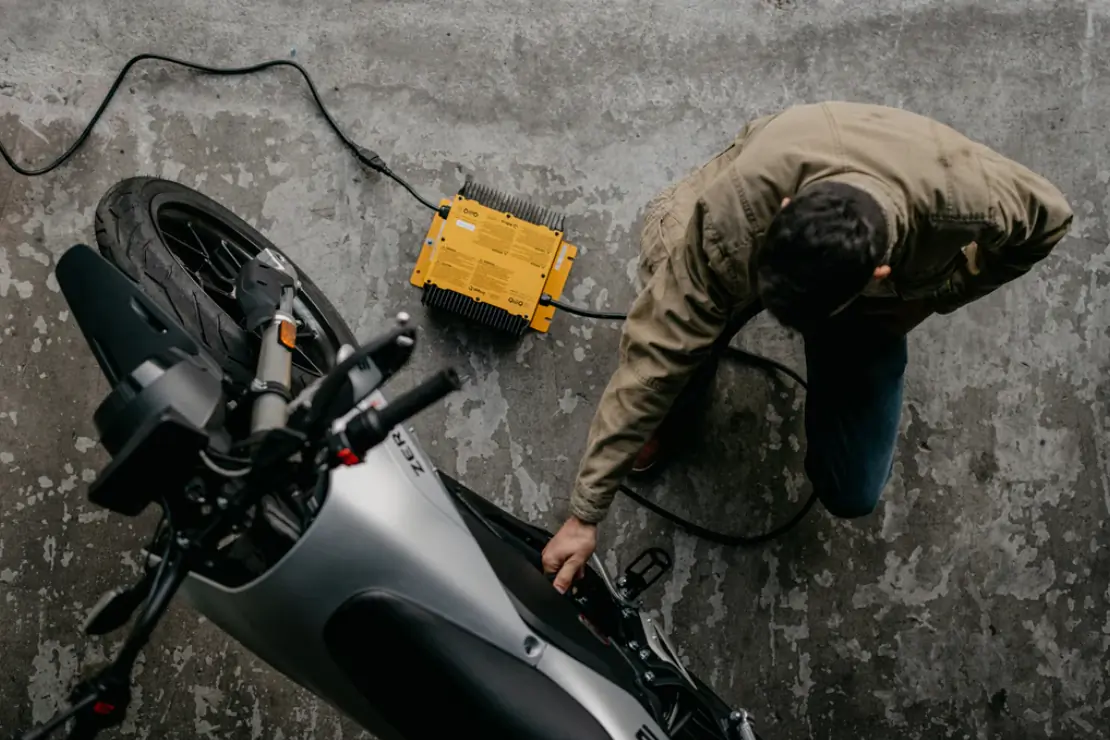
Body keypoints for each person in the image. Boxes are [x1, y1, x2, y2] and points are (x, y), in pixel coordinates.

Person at [541, 101, 1073, 593]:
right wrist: (585, 512)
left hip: (882, 267)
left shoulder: (964, 194)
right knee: (675, 312)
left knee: (852, 489)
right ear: (790, 206)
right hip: (750, 201)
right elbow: (655, 352)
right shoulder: (741, 208)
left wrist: (937, 298)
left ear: (878, 273)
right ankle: (679, 403)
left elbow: (1050, 219)